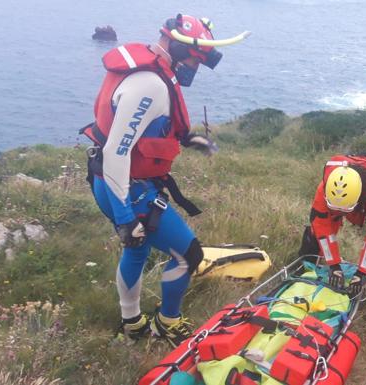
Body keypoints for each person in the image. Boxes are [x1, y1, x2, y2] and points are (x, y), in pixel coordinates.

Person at [80, 14, 248, 346]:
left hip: (109, 181)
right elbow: (117, 151)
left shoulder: (148, 67)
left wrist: (187, 139)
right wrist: (126, 217)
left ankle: (132, 323)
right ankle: (167, 322)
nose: (192, 70)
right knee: (189, 254)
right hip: (127, 188)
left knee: (138, 248)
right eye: (192, 61)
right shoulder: (150, 84)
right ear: (174, 45)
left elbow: (145, 128)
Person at [298, 154, 366, 298]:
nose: (341, 213)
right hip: (343, 197)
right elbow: (322, 227)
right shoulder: (325, 189)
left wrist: (362, 273)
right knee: (315, 232)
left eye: (345, 210)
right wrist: (334, 265)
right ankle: (305, 269)